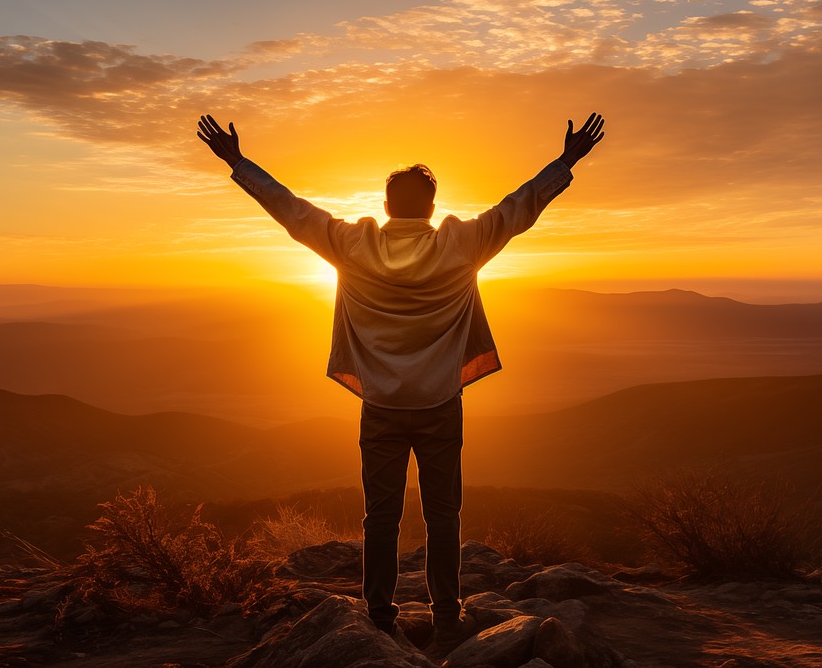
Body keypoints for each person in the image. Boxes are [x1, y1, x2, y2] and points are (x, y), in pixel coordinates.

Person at [197, 112, 604, 644]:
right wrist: (567, 161)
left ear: (386, 207)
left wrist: (238, 162)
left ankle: (379, 616)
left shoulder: (351, 245)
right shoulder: (462, 244)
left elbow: (291, 211)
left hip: (381, 405)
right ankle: (446, 618)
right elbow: (519, 207)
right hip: (440, 403)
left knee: (380, 517)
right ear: (432, 208)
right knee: (443, 516)